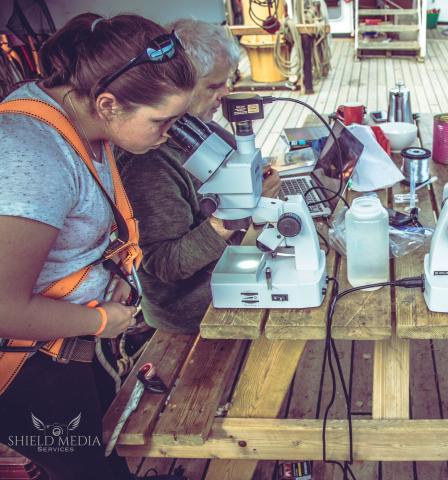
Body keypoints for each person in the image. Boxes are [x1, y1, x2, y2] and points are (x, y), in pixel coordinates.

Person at [0, 13, 196, 480]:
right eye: (162, 121)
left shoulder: (75, 112)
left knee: (106, 449)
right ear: (107, 103)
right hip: (30, 363)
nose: (170, 133)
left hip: (71, 340)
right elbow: (3, 308)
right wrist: (103, 319)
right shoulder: (33, 162)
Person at [118, 19, 280, 335]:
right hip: (195, 313)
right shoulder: (148, 162)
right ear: (178, 84)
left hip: (234, 274)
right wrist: (225, 221)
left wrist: (258, 183)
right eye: (213, 86)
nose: (226, 94)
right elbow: (164, 263)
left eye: (228, 82)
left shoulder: (204, 127)